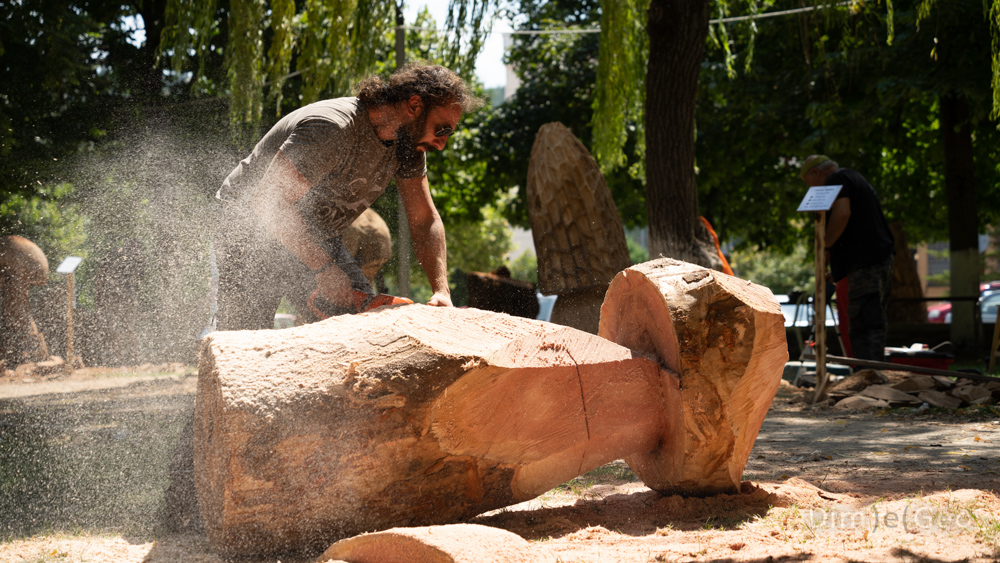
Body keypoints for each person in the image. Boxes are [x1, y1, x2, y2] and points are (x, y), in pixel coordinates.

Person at [213, 63, 483, 330]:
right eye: (442, 129)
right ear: (414, 106)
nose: (441, 143)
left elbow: (425, 219)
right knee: (244, 338)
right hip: (249, 231)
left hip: (314, 234)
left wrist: (441, 290)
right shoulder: (333, 128)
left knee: (362, 329)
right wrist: (325, 269)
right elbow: (270, 202)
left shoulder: (409, 147)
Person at [800, 155, 895, 361]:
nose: (811, 189)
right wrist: (836, 269)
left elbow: (842, 214)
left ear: (816, 173)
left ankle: (867, 374)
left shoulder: (838, 179)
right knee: (872, 319)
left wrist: (825, 244)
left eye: (809, 182)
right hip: (876, 260)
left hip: (866, 263)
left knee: (863, 322)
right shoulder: (854, 178)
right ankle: (871, 372)